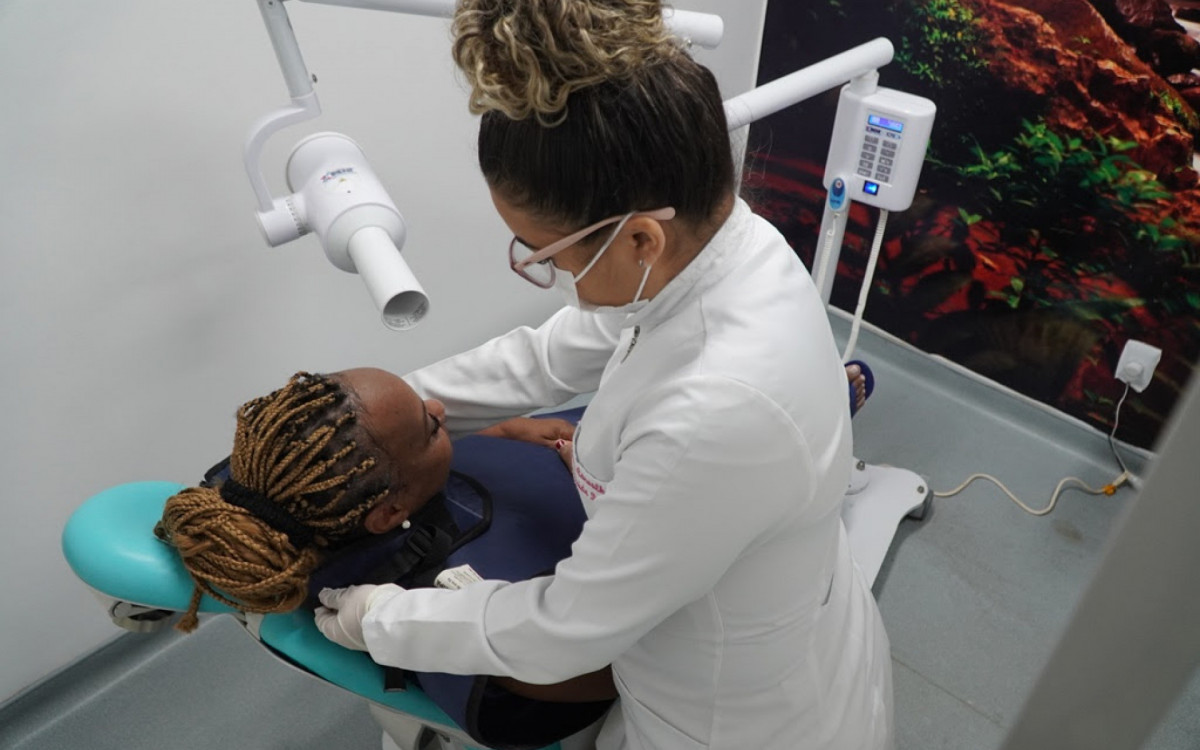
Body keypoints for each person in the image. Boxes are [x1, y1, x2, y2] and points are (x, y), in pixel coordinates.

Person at [313, 2, 895, 749]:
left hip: (736, 719)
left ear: (641, 238)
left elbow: (564, 630)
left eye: (545, 254)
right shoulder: (724, 249)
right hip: (775, 617)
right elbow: (552, 355)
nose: (551, 273)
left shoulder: (716, 410)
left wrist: (379, 619)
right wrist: (384, 418)